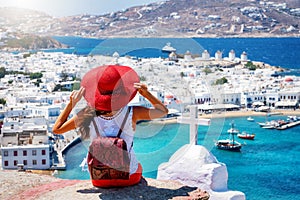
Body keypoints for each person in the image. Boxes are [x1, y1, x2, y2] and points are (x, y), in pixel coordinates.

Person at [52, 65, 168, 187]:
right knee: (138, 166)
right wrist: (146, 94)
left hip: (99, 179)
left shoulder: (86, 114)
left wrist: (71, 104)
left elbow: (57, 129)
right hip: (129, 177)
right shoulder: (132, 113)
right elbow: (163, 111)